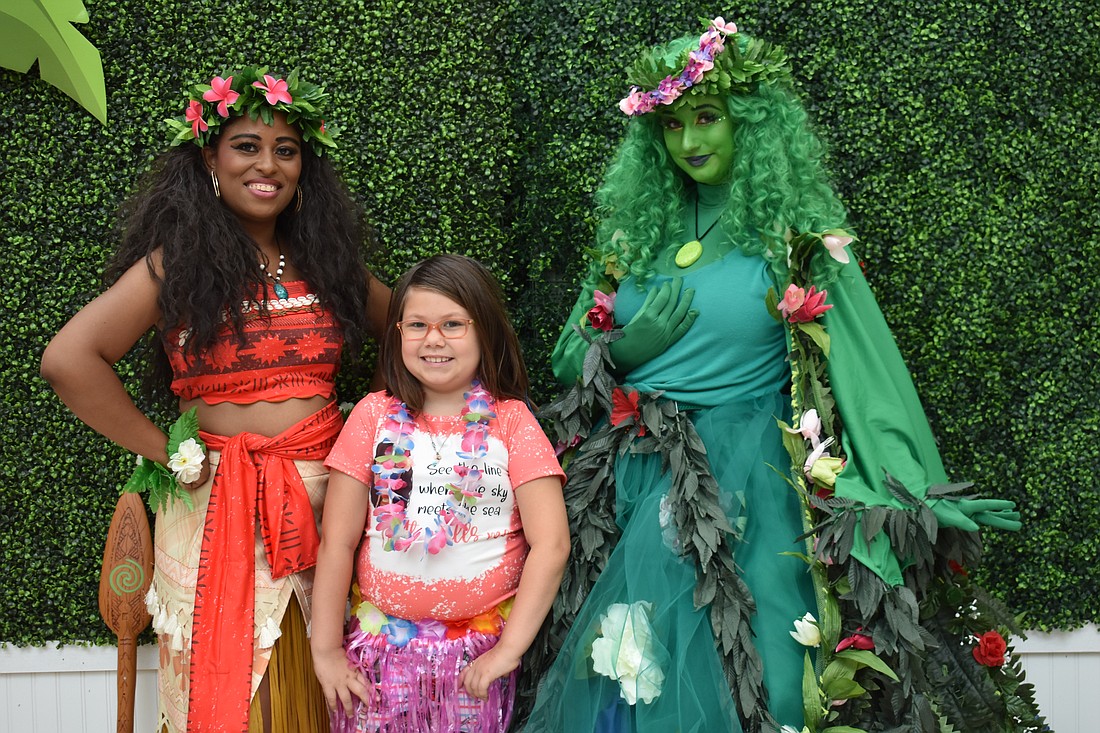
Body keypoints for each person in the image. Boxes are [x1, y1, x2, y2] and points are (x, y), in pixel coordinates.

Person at [522, 16, 1025, 733]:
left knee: (771, 681)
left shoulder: (797, 240)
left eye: (707, 117)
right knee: (634, 677)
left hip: (753, 481)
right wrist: (627, 348)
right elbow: (569, 359)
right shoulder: (635, 239)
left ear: (749, 120)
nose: (689, 141)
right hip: (634, 479)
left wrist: (915, 492)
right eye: (671, 126)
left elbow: (867, 373)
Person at [40, 67, 391, 733]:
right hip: (212, 505)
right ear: (210, 159)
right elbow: (68, 360)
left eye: (286, 150)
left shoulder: (328, 260)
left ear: (304, 168)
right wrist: (168, 453)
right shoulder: (175, 264)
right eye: (246, 147)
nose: (268, 165)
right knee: (235, 694)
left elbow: (410, 329)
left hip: (323, 504)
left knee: (321, 687)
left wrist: (373, 422)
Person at [311, 253, 570, 732]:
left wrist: (508, 651)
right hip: (378, 658)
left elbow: (551, 544)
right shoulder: (372, 416)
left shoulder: (511, 422)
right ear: (398, 334)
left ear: (485, 331)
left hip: (477, 660)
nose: (433, 339)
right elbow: (338, 542)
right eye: (417, 325)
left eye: (453, 324)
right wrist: (325, 650)